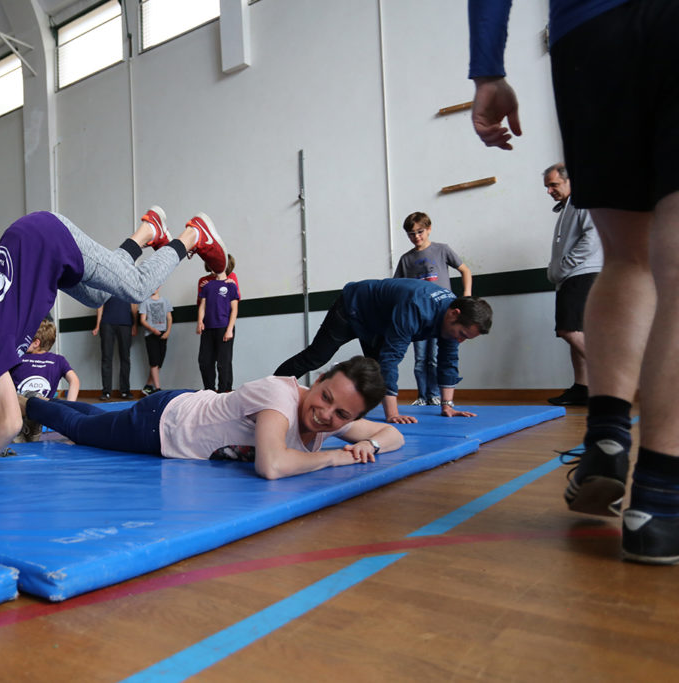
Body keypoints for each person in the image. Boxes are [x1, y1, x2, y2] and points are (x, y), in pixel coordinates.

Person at [468, 0, 679, 564]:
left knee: (626, 261)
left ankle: (606, 438)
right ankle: (658, 502)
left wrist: (487, 69)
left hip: (590, 34)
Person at [0, 207, 228, 477]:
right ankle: (147, 231)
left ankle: (193, 234)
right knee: (97, 295)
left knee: (137, 287)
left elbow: (11, 423)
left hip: (47, 240)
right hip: (34, 247)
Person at [19, 355, 405, 480]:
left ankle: (45, 404)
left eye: (341, 415)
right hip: (163, 423)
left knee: (99, 422)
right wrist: (335, 456)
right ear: (317, 380)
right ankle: (30, 404)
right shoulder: (280, 397)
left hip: (180, 408)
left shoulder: (335, 415)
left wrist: (369, 443)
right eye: (325, 398)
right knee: (84, 431)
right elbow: (271, 465)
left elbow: (393, 435)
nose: (324, 415)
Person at [274, 279, 492, 424]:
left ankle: (354, 408)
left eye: (466, 337)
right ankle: (273, 388)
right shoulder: (417, 307)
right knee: (316, 357)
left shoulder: (453, 322)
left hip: (379, 324)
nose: (460, 340)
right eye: (462, 334)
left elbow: (448, 359)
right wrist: (393, 414)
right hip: (352, 308)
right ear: (454, 314)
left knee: (374, 371)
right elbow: (392, 356)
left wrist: (447, 406)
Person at [393, 211, 473, 407]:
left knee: (436, 357)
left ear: (428, 229)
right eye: (411, 234)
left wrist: (466, 296)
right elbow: (396, 286)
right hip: (419, 317)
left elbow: (465, 270)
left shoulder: (442, 250)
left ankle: (435, 394)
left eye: (420, 232)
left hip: (443, 314)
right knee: (421, 358)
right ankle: (423, 395)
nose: (416, 237)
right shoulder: (406, 259)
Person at [542, 163, 602, 407]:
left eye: (553, 185)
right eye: (547, 186)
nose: (549, 190)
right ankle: (582, 388)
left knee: (569, 330)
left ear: (570, 181)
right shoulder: (568, 206)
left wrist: (564, 266)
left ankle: (610, 378)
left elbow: (592, 239)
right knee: (577, 331)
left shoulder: (583, 202)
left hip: (582, 275)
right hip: (570, 277)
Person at [8, 318, 80, 442]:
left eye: (25, 339)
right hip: (39, 409)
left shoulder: (19, 357)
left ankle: (19, 426)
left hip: (17, 408)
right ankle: (30, 422)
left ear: (36, 343)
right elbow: (74, 381)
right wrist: (69, 407)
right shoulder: (58, 360)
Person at [197, 253, 240, 392]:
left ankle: (224, 391)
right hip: (208, 328)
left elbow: (234, 309)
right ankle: (209, 390)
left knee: (223, 362)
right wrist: (200, 322)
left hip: (224, 328)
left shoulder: (231, 285)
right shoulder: (207, 285)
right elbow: (202, 306)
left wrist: (229, 329)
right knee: (205, 361)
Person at [92, 296, 137, 400]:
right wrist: (97, 325)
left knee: (125, 358)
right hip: (106, 323)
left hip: (126, 323)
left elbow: (134, 305)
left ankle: (125, 391)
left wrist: (135, 324)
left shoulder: (128, 287)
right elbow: (100, 305)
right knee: (106, 358)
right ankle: (106, 391)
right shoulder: (105, 287)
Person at [139, 287, 173, 395]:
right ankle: (157, 389)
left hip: (163, 334)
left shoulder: (165, 301)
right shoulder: (145, 302)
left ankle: (148, 386)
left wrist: (167, 332)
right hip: (150, 335)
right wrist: (152, 329)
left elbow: (169, 318)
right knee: (153, 362)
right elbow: (142, 320)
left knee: (159, 363)